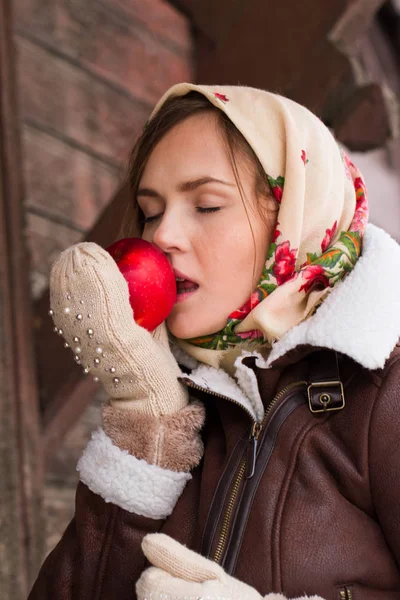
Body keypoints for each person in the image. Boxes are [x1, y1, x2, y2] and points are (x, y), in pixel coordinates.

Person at [29, 84, 400, 600]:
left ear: (294, 210)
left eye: (206, 205)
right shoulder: (175, 390)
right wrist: (148, 426)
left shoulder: (386, 383)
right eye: (152, 211)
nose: (162, 236)